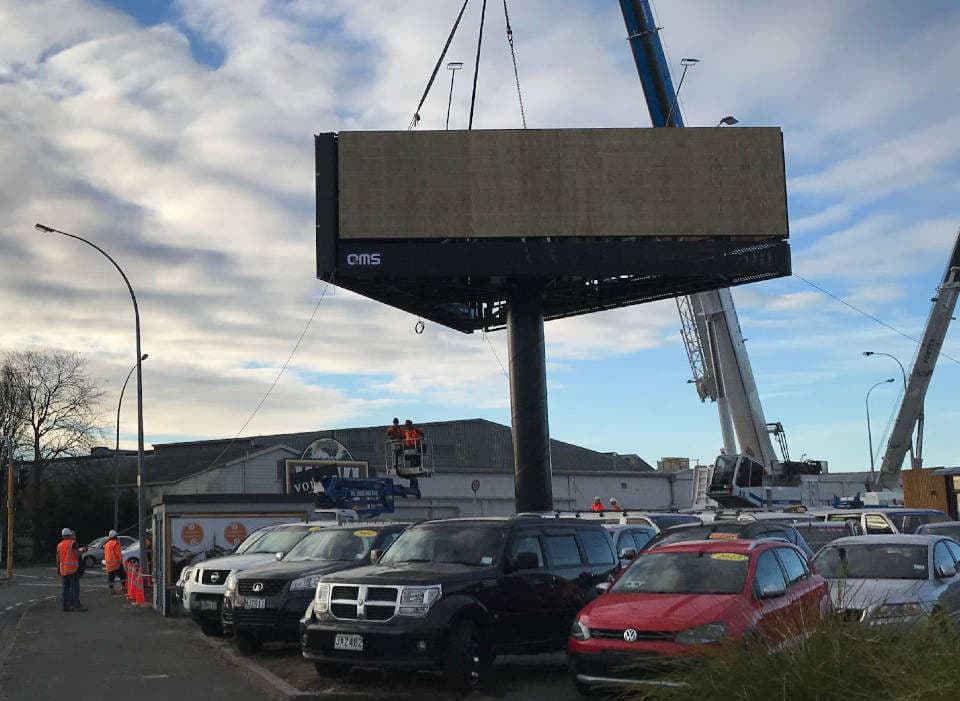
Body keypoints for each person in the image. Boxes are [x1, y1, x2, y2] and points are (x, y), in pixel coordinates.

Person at [56, 528, 85, 612]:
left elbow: (58, 558)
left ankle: (65, 606)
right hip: (72, 570)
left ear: (62, 536)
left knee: (65, 589)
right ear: (70, 535)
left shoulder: (59, 545)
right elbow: (76, 554)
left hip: (63, 570)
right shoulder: (72, 543)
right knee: (75, 588)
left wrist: (58, 568)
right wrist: (82, 551)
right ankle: (77, 606)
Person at [103, 529, 126, 595]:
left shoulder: (107, 544)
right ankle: (124, 588)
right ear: (115, 536)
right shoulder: (115, 543)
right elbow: (118, 554)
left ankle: (111, 590)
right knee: (123, 575)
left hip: (108, 563)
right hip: (116, 563)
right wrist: (120, 562)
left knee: (111, 577)